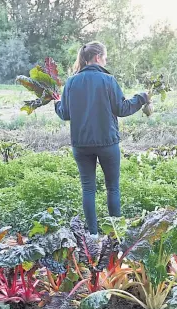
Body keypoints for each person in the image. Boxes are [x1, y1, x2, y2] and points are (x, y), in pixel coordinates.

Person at [54, 41, 150, 238]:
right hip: (107, 143)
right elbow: (122, 109)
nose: (106, 60)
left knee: (88, 188)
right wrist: (141, 98)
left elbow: (64, 114)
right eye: (105, 57)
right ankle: (116, 235)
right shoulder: (108, 80)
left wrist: (56, 103)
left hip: (81, 145)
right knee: (112, 188)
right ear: (97, 57)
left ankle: (93, 235)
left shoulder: (71, 82)